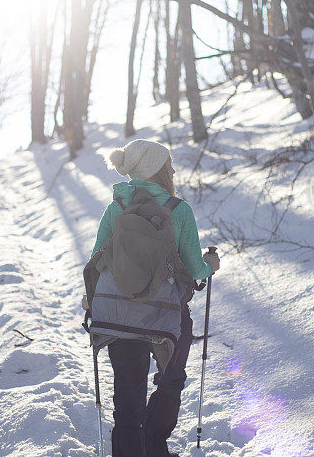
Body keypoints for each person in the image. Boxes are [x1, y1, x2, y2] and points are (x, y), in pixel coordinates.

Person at [90, 139, 220, 457]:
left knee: (127, 397)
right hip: (165, 316)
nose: (173, 168)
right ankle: (154, 446)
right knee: (170, 378)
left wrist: (92, 302)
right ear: (158, 169)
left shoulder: (114, 208)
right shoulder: (178, 210)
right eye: (169, 163)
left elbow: (96, 260)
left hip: (118, 316)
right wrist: (211, 264)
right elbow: (195, 267)